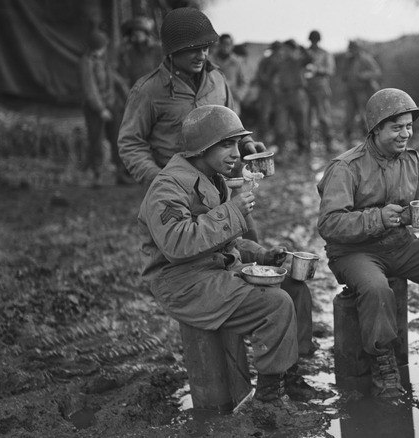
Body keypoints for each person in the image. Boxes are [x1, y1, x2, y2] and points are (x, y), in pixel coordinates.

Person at [137, 104, 318, 407]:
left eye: (236, 143)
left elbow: (225, 244)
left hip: (213, 272)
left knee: (295, 289)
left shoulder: (213, 177)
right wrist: (231, 211)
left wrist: (262, 255)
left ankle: (289, 374)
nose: (236, 153)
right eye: (226, 144)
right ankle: (268, 398)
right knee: (275, 304)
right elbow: (177, 245)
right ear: (200, 148)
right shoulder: (167, 188)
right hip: (183, 283)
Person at [316, 88, 419, 399]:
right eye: (396, 127)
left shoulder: (412, 161)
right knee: (378, 289)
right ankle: (384, 366)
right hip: (354, 253)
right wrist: (377, 218)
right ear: (375, 129)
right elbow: (329, 224)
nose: (405, 134)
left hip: (401, 245)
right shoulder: (345, 167)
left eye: (408, 126)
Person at [118, 7, 265, 186]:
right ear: (172, 51)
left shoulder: (218, 80)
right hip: (173, 190)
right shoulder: (147, 90)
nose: (201, 56)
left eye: (205, 48)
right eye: (193, 49)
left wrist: (246, 144)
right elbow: (131, 143)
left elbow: (231, 127)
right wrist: (158, 178)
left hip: (216, 185)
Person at [79, 29, 129, 185]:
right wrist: (101, 109)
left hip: (111, 103)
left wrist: (129, 92)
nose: (105, 48)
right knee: (96, 140)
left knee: (117, 137)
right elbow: (90, 89)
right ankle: (97, 175)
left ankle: (119, 173)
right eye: (102, 46)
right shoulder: (86, 62)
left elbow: (114, 77)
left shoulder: (104, 59)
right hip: (95, 108)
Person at [273, 39, 311, 154]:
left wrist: (301, 49)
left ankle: (302, 149)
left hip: (297, 94)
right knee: (281, 124)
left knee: (301, 124)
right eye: (284, 49)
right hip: (284, 95)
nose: (285, 51)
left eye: (288, 49)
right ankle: (281, 150)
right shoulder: (281, 62)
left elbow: (309, 59)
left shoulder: (298, 61)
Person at [342, 41, 381, 141]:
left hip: (363, 91)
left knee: (364, 115)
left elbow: (376, 72)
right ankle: (348, 137)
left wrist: (363, 76)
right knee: (349, 115)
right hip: (351, 91)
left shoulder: (365, 58)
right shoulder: (348, 60)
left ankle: (368, 137)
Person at [304, 30, 335, 152]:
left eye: (315, 40)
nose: (314, 42)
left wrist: (318, 69)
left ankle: (329, 142)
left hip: (320, 87)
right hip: (307, 88)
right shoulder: (305, 53)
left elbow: (330, 70)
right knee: (306, 118)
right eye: (312, 40)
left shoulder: (325, 54)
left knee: (324, 117)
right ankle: (306, 145)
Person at [116, 16, 163, 88]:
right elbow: (123, 75)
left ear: (146, 34)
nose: (136, 35)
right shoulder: (128, 52)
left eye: (139, 32)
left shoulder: (158, 49)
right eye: (134, 33)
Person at [211, 34, 248, 116]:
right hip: (213, 99)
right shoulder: (210, 60)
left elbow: (244, 81)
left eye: (228, 44)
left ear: (232, 46)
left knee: (232, 124)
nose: (225, 47)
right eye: (223, 44)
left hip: (232, 100)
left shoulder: (237, 62)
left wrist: (239, 95)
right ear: (219, 45)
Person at [252, 41, 282, 143]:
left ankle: (277, 140)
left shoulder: (282, 61)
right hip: (267, 91)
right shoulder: (265, 61)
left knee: (279, 116)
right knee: (264, 116)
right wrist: (267, 81)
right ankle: (263, 138)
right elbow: (260, 75)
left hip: (279, 92)